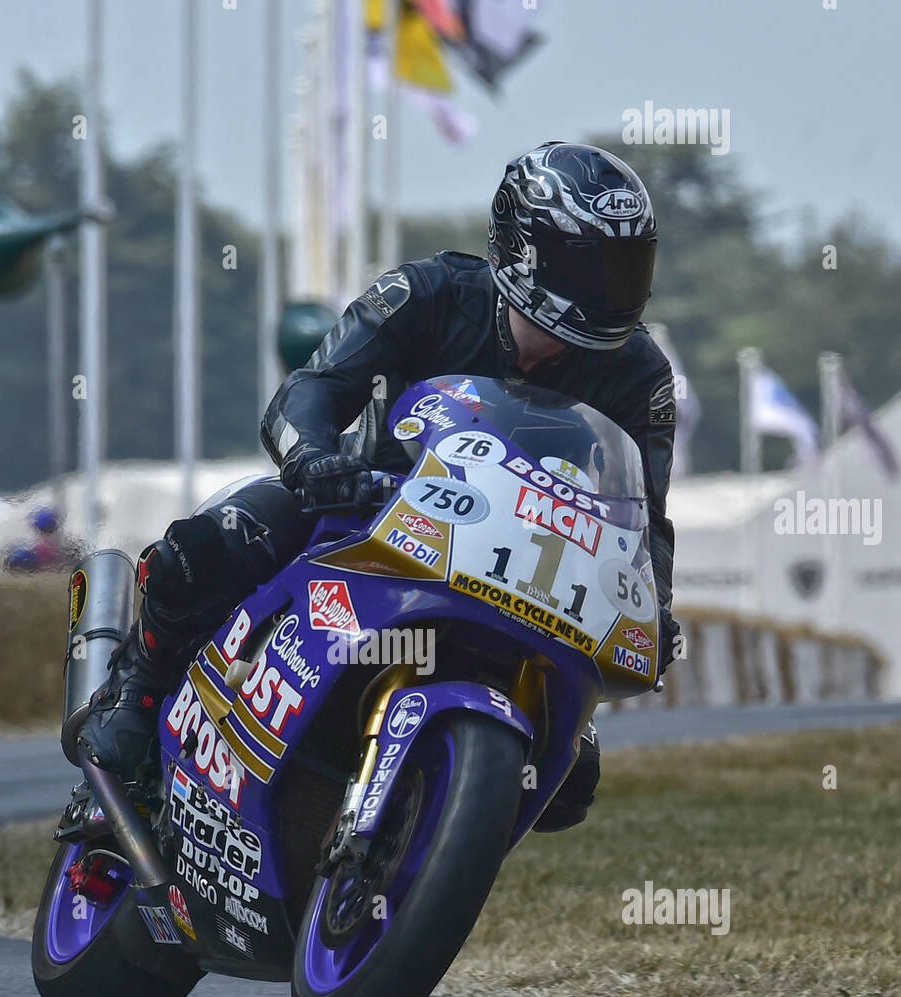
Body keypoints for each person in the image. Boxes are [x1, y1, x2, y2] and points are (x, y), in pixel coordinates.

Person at [79, 141, 681, 830]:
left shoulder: (641, 376)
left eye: (628, 267)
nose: (612, 290)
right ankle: (137, 689)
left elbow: (646, 518)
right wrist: (312, 460)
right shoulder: (426, 294)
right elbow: (310, 388)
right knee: (208, 547)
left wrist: (656, 606)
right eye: (590, 265)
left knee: (572, 779)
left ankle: (417, 842)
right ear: (523, 247)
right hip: (364, 512)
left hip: (526, 576)